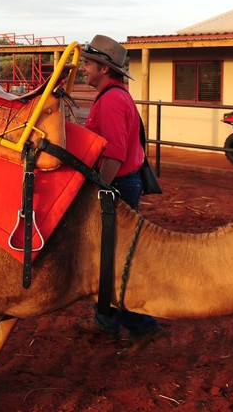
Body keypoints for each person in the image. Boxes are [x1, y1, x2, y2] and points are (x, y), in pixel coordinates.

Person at [76, 34, 165, 353]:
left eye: (88, 63)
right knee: (109, 256)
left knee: (113, 260)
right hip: (124, 182)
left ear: (102, 67)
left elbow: (113, 154)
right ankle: (106, 320)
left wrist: (98, 192)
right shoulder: (115, 96)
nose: (83, 69)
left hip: (118, 184)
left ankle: (142, 326)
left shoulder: (112, 100)